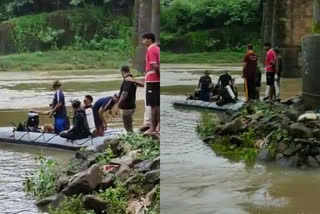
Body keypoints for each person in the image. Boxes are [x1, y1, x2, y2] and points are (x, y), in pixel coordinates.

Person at [142, 32, 160, 135]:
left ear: (149, 39)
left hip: (152, 80)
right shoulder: (157, 48)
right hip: (155, 80)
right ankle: (157, 127)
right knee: (157, 104)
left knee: (153, 105)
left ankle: (153, 128)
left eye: (144, 39)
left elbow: (155, 65)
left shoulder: (151, 49)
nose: (143, 41)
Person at [118, 65, 137, 133]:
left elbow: (124, 93)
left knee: (127, 127)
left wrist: (119, 104)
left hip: (127, 107)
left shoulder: (127, 80)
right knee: (129, 125)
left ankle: (131, 138)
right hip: (132, 105)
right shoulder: (132, 79)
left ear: (122, 72)